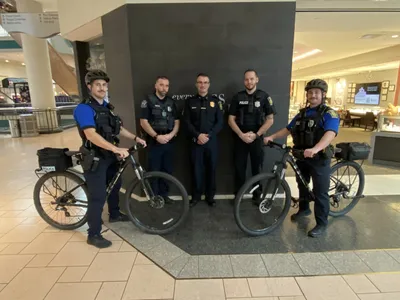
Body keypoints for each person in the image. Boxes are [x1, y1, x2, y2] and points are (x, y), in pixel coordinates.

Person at [73, 70, 147, 248]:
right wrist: (115, 148)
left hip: (110, 156)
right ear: (89, 87)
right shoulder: (84, 108)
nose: (101, 88)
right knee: (97, 196)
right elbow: (90, 134)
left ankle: (114, 214)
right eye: (97, 84)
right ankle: (93, 234)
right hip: (95, 158)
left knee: (115, 185)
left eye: (104, 85)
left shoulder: (106, 107)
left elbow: (119, 129)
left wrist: (136, 138)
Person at [263, 79, 340, 238]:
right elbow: (288, 129)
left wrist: (315, 149)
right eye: (310, 92)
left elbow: (330, 134)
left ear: (323, 95)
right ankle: (304, 209)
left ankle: (321, 223)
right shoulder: (302, 113)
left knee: (320, 192)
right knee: (302, 184)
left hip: (319, 157)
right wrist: (272, 136)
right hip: (302, 156)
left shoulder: (329, 114)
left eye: (316, 93)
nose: (313, 95)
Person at [228, 69, 276, 201]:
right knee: (239, 168)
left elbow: (270, 119)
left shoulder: (265, 97)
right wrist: (241, 134)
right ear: (244, 81)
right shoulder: (237, 97)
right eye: (246, 79)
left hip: (257, 138)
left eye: (251, 79)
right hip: (240, 138)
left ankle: (257, 195)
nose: (249, 82)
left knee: (257, 168)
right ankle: (239, 196)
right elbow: (230, 119)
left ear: (257, 79)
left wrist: (256, 134)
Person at [183, 73, 224, 207]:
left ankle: (210, 197)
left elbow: (220, 122)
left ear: (209, 84)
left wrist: (209, 135)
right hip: (196, 142)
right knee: (196, 170)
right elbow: (187, 122)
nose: (202, 85)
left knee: (211, 170)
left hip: (211, 142)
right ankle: (195, 196)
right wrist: (197, 135)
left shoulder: (216, 101)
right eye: (200, 82)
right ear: (196, 84)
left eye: (205, 82)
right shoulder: (190, 102)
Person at [140, 76, 180, 202]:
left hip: (168, 141)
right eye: (161, 85)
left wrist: (170, 135)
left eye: (167, 85)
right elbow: (143, 122)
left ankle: (164, 195)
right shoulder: (148, 101)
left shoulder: (171, 102)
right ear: (156, 86)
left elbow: (177, 122)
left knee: (167, 170)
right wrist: (156, 136)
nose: (164, 88)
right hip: (154, 142)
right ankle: (154, 197)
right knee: (154, 170)